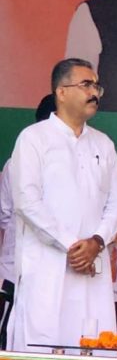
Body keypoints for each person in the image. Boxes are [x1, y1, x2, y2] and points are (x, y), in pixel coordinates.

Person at [8, 60, 117, 360]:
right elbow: (26, 201)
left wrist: (97, 241)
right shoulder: (34, 139)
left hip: (90, 269)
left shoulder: (103, 144)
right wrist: (74, 246)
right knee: (32, 358)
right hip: (47, 267)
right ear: (61, 92)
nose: (95, 92)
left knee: (88, 357)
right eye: (86, 85)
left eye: (97, 86)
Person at [0, 96, 56, 285]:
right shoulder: (14, 163)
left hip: (50, 270)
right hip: (15, 268)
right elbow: (5, 215)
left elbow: (5, 215)